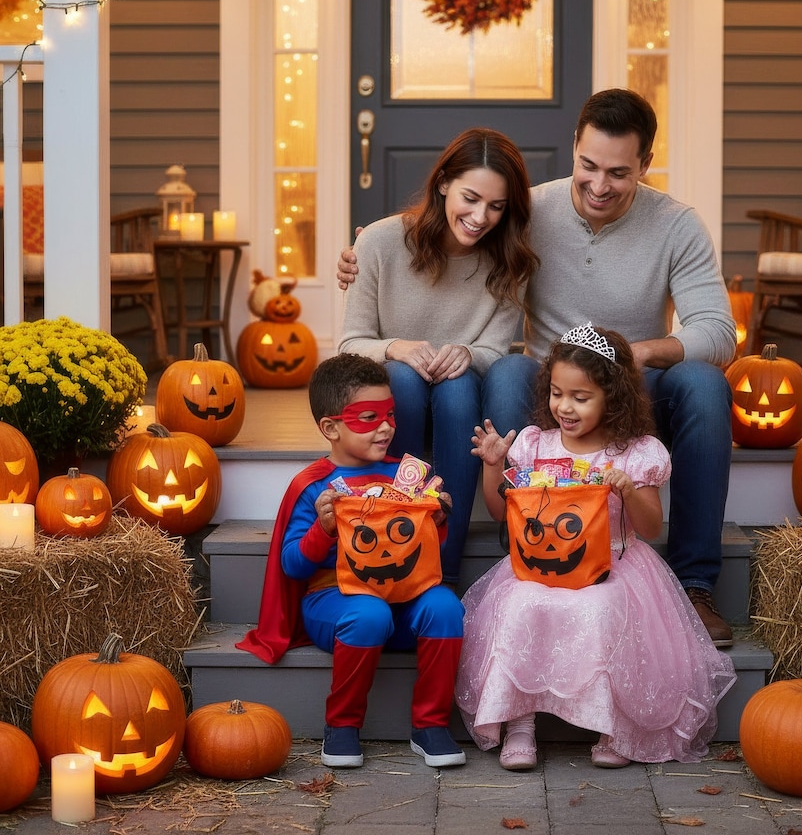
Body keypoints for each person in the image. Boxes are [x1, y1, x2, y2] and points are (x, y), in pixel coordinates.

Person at [338, 89, 737, 645]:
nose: (599, 185)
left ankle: (694, 582)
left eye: (619, 173)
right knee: (506, 373)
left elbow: (719, 333)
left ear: (645, 165)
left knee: (704, 382)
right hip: (550, 384)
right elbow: (447, 233)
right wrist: (365, 251)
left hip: (634, 384)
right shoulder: (523, 211)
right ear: (574, 147)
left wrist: (635, 353)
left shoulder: (677, 225)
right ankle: (524, 551)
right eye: (588, 166)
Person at [458, 324, 737, 770]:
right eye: (556, 393)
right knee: (520, 605)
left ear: (612, 397)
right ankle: (520, 724)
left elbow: (648, 527)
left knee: (603, 608)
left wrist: (629, 490)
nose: (564, 407)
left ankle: (613, 729)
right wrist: (494, 467)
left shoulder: (632, 452)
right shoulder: (536, 445)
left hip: (613, 560)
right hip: (541, 563)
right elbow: (499, 511)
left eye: (580, 397)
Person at [237, 353, 467, 770]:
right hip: (335, 600)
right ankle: (341, 725)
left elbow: (424, 551)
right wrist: (322, 528)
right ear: (330, 427)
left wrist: (436, 519)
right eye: (368, 417)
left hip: (404, 599)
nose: (386, 427)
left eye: (391, 415)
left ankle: (431, 724)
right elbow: (292, 566)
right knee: (367, 613)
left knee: (446, 606)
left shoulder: (407, 476)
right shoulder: (313, 486)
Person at [337, 127, 539, 588]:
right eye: (470, 197)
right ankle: (395, 544)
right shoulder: (380, 242)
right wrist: (397, 347)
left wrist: (466, 352)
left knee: (459, 384)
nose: (480, 216)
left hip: (460, 400)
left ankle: (441, 570)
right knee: (403, 379)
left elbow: (495, 347)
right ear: (444, 182)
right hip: (399, 396)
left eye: (496, 206)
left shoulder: (509, 261)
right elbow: (351, 342)